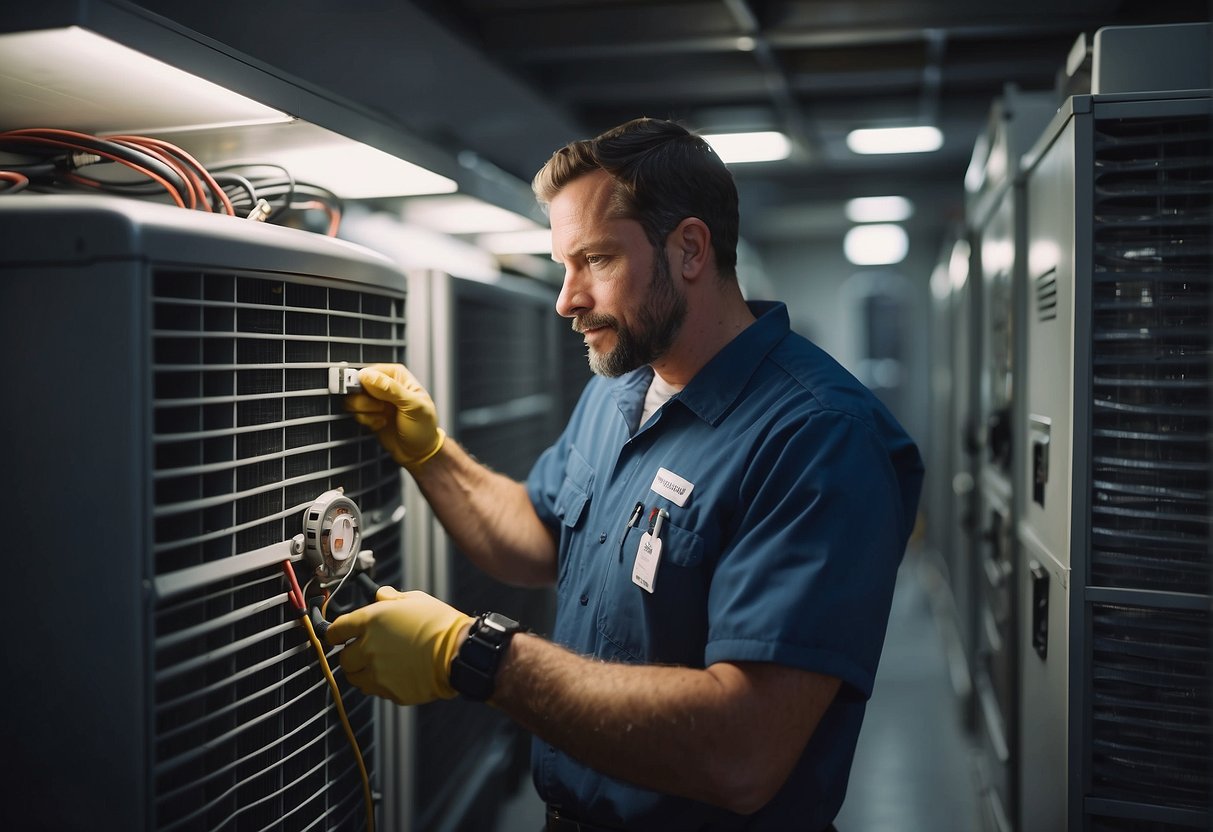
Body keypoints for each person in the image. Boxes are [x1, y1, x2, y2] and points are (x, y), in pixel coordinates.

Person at [326, 117, 924, 832]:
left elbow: (744, 749)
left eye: (597, 261)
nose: (566, 299)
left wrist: (474, 656)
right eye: (564, 266)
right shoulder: (620, 392)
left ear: (690, 249)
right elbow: (535, 538)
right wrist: (430, 454)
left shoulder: (818, 437)